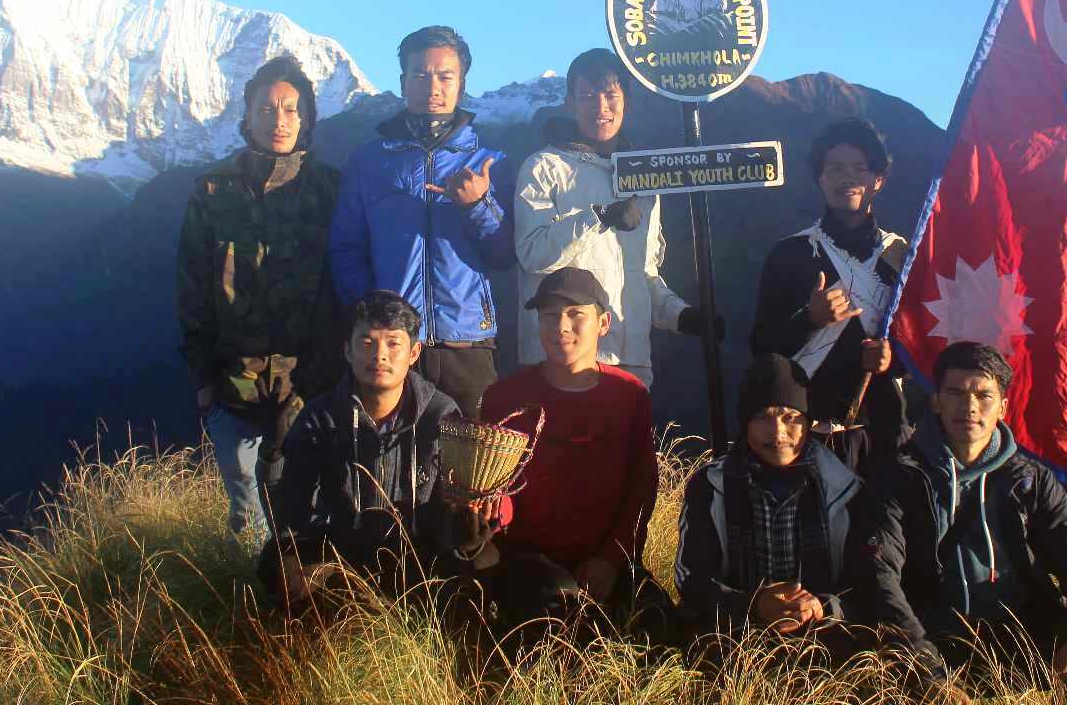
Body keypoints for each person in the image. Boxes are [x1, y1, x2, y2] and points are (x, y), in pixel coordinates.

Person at [857, 341, 1067, 702]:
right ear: (936, 401)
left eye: (983, 395)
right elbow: (880, 578)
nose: (969, 406)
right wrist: (927, 671)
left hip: (1019, 629)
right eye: (955, 392)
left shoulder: (1029, 480)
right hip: (936, 633)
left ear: (1003, 407)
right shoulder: (900, 476)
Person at [177, 54, 341, 538]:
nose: (279, 120)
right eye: (267, 109)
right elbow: (191, 286)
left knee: (313, 507)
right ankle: (245, 609)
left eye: (292, 109)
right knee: (245, 511)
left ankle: (312, 605)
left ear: (308, 117)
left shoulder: (330, 190)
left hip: (312, 384)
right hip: (234, 383)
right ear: (246, 115)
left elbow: (344, 284)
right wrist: (202, 376)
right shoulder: (212, 190)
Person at [259, 290, 504, 610]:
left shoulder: (442, 416)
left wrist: (466, 532)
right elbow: (290, 517)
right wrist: (274, 451)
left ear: (414, 352)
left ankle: (450, 642)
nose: (380, 355)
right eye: (367, 342)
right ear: (346, 350)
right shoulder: (322, 416)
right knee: (276, 562)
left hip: (419, 561)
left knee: (484, 558)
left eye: (393, 343)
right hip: (344, 559)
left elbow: (452, 509)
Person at [329, 25, 515, 417]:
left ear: (461, 83)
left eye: (445, 76)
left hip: (468, 344)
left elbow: (504, 254)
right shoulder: (370, 162)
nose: (433, 86)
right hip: (391, 346)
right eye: (420, 74)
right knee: (388, 469)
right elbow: (346, 248)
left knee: (471, 470)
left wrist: (478, 204)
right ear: (402, 82)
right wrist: (371, 315)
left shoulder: (489, 162)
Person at [479, 267, 662, 631]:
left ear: (603, 323)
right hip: (527, 557)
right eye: (549, 315)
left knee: (655, 622)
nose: (561, 326)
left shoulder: (630, 395)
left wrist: (611, 560)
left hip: (607, 557)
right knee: (556, 605)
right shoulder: (505, 397)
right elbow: (498, 486)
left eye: (576, 314)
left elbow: (641, 487)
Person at [514, 48, 709, 388]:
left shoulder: (645, 177)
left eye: (610, 95)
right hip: (560, 362)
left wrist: (680, 316)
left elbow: (643, 275)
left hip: (631, 364)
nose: (600, 107)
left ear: (626, 100)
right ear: (570, 103)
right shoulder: (543, 166)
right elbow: (533, 254)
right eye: (587, 96)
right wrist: (599, 216)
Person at [673, 354, 868, 649]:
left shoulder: (844, 487)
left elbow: (867, 582)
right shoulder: (712, 485)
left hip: (823, 638)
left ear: (807, 421)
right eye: (762, 417)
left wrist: (821, 608)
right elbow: (691, 578)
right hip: (735, 634)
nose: (778, 433)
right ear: (745, 423)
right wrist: (753, 605)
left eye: (790, 418)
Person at [751, 117, 911, 468]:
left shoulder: (901, 257)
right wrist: (811, 320)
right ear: (819, 178)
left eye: (859, 168)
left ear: (878, 180)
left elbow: (923, 347)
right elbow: (761, 347)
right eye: (835, 168)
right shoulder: (790, 254)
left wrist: (892, 359)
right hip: (806, 436)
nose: (847, 178)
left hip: (883, 434)